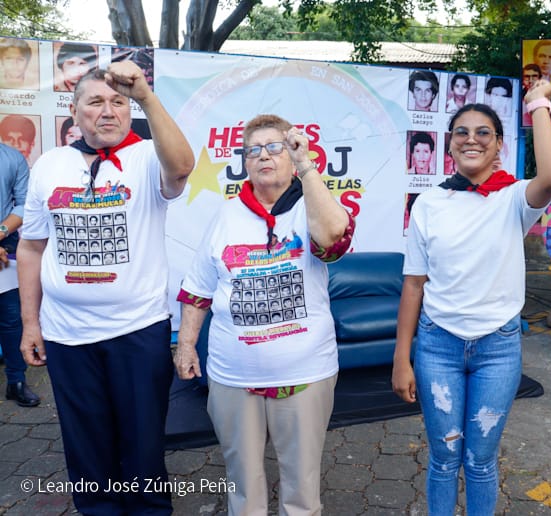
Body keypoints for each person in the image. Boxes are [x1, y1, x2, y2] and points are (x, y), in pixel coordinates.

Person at [17, 61, 194, 514]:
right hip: (67, 334)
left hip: (137, 331)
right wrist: (31, 324)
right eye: (96, 101)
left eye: (119, 102)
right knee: (86, 444)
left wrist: (146, 96)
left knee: (143, 443)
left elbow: (182, 167)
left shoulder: (148, 157)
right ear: (74, 113)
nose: (109, 111)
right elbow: (32, 248)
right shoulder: (49, 165)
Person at [392, 80, 551, 515]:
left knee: (481, 460)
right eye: (462, 132)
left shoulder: (514, 198)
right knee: (444, 457)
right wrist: (401, 359)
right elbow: (414, 284)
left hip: (497, 349)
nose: (472, 139)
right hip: (437, 345)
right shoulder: (429, 203)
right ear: (449, 144)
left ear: (499, 144)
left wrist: (538, 105)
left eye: (484, 132)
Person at [174, 114, 355, 515]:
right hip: (234, 377)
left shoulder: (311, 205)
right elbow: (198, 289)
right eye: (253, 150)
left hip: (305, 373)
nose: (263, 156)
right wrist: (186, 344)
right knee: (242, 483)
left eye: (275, 147)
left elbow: (332, 239)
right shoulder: (225, 215)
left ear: (292, 155)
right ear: (244, 163)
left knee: (302, 487)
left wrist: (306, 166)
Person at [0, 143, 40, 407]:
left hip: (6, 245)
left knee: (11, 319)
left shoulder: (12, 158)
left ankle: (16, 381)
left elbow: (25, 203)